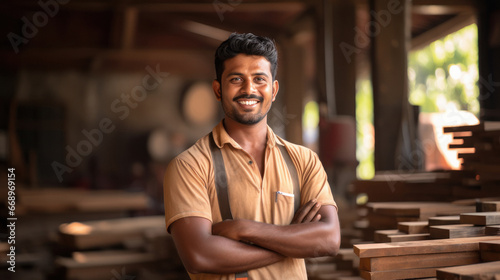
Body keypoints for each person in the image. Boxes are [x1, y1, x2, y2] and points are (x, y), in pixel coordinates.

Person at [163, 33, 340, 280]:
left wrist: (243, 229)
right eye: (236, 79)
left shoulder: (304, 160)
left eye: (259, 79)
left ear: (274, 89)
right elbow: (199, 256)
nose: (249, 89)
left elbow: (329, 240)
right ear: (217, 89)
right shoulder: (190, 166)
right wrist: (293, 240)